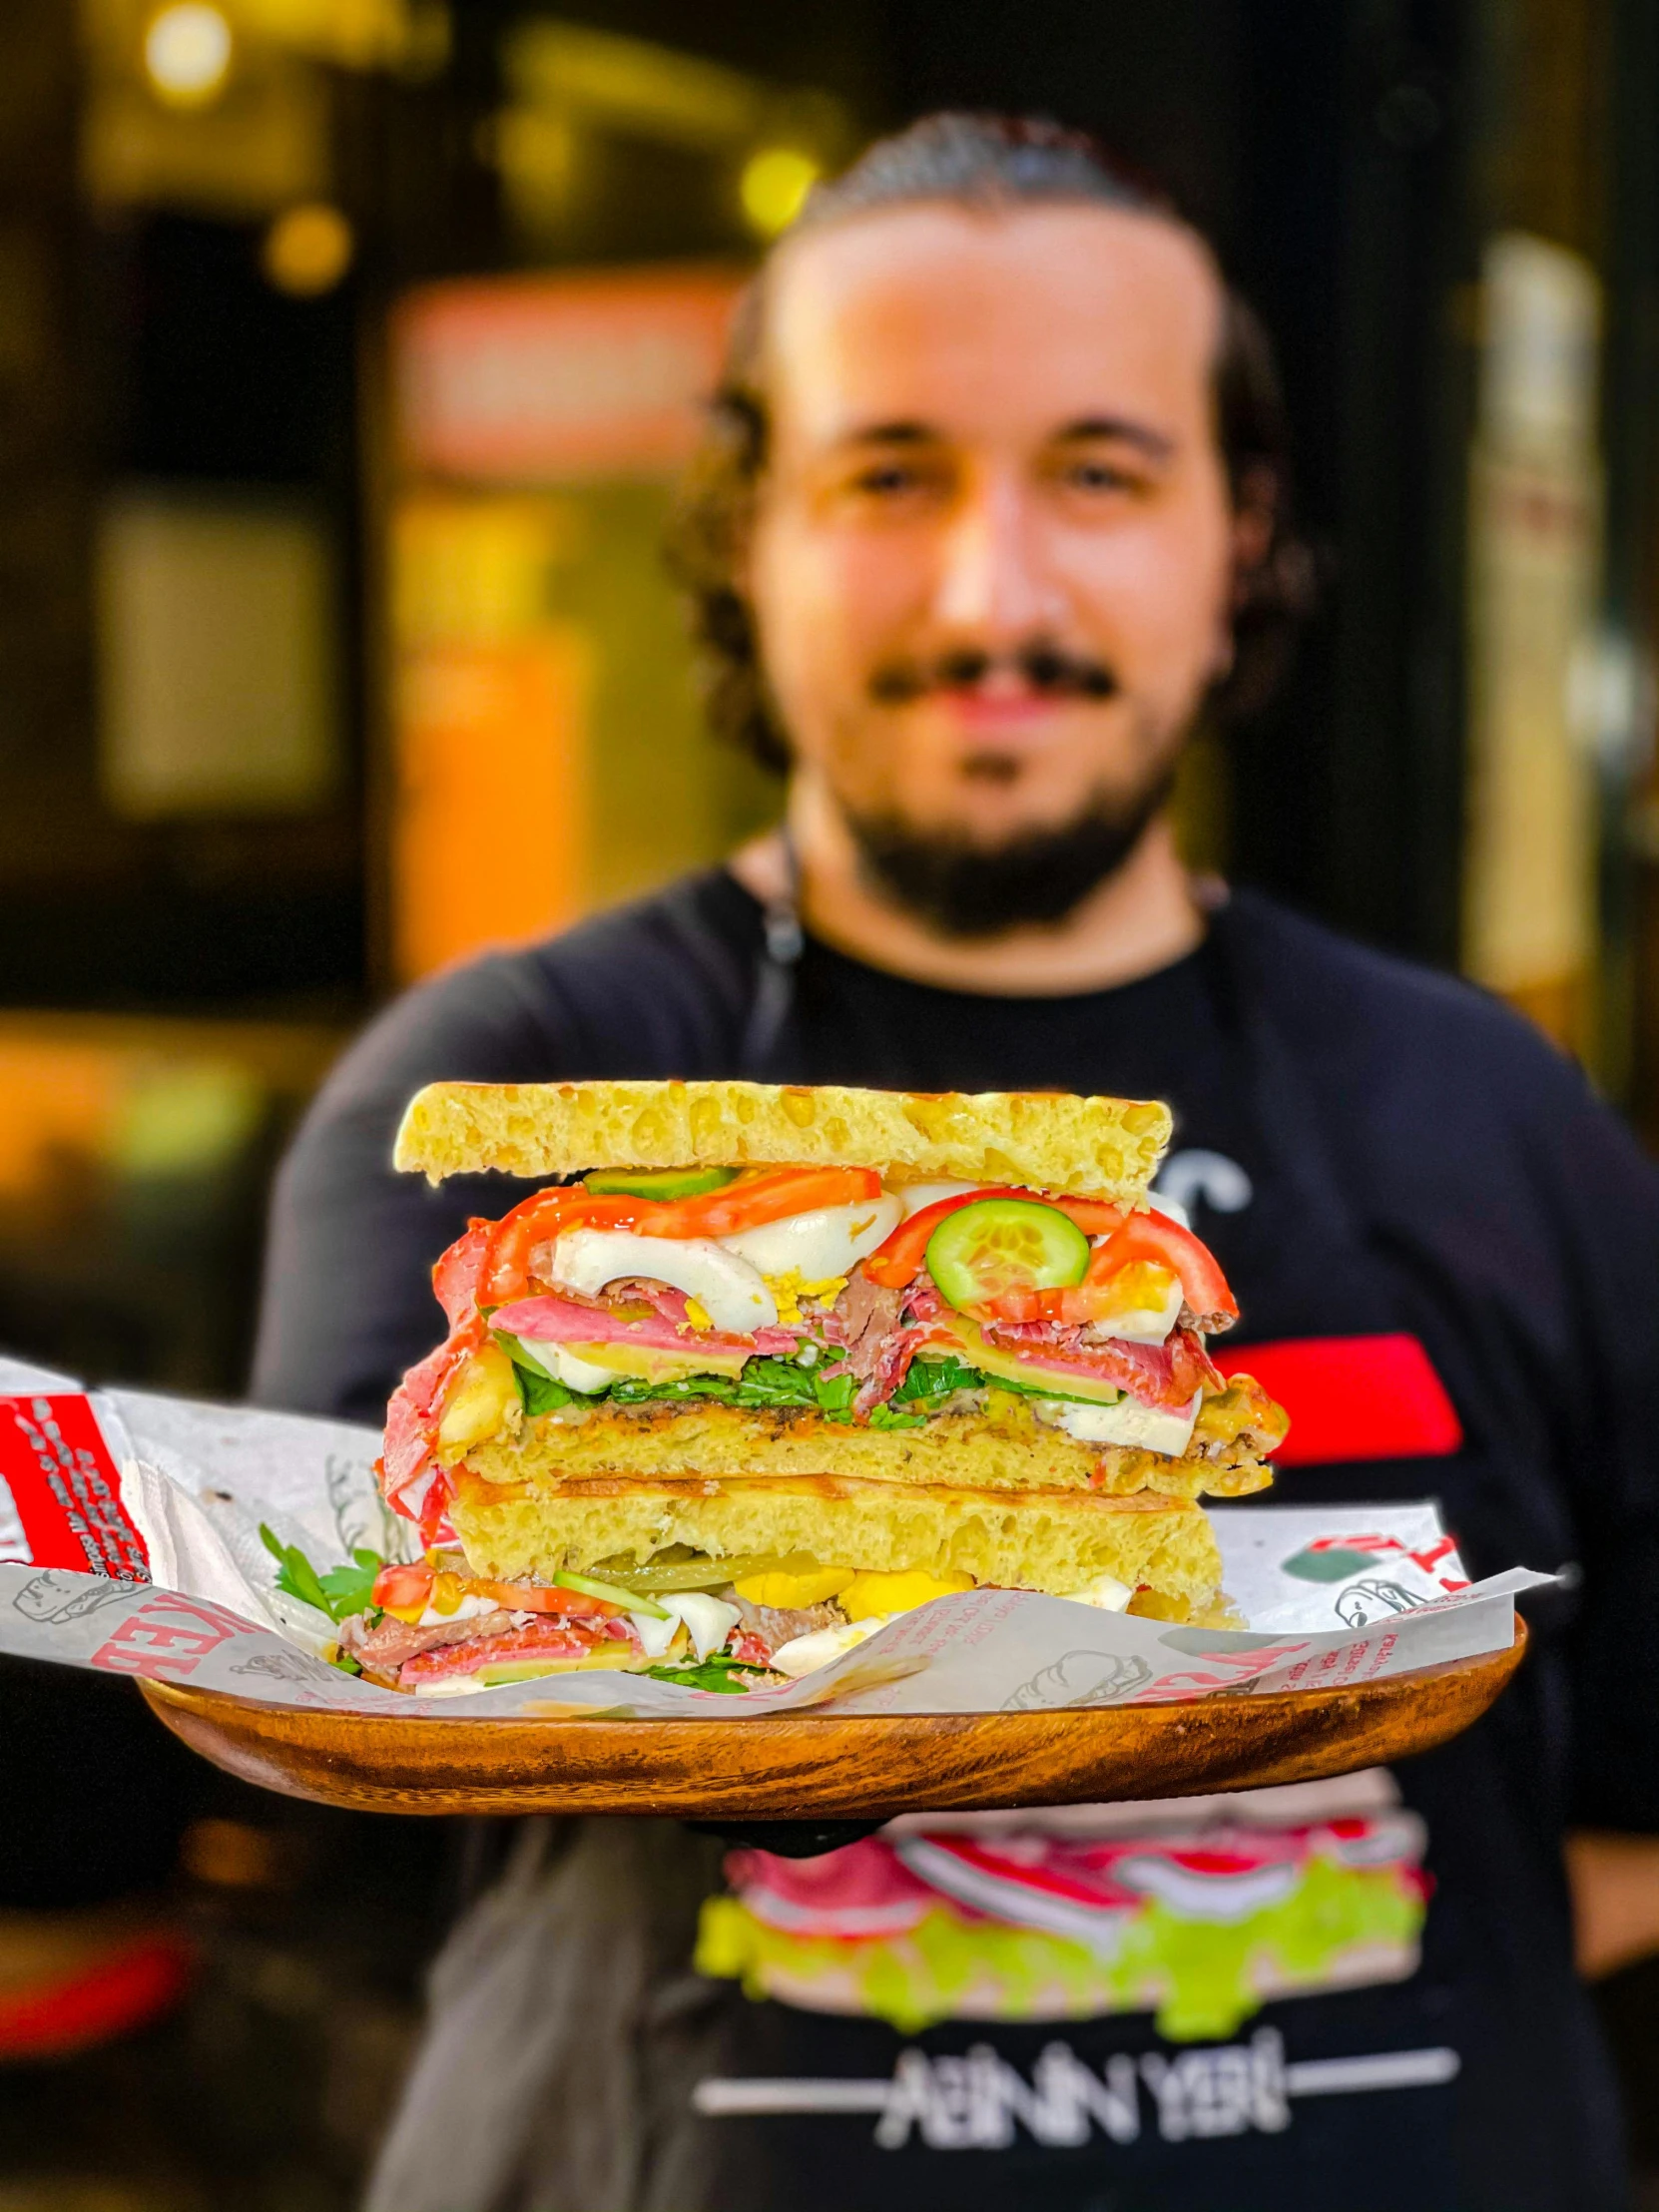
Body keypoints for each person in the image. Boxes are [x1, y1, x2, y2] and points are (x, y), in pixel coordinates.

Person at [253, 114, 1659, 2212]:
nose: (995, 591)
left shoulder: (1494, 1109)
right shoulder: (497, 1075)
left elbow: (1628, 1806)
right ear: (748, 535)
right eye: (888, 474)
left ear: (1238, 534)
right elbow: (335, 1729)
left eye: (1101, 473)